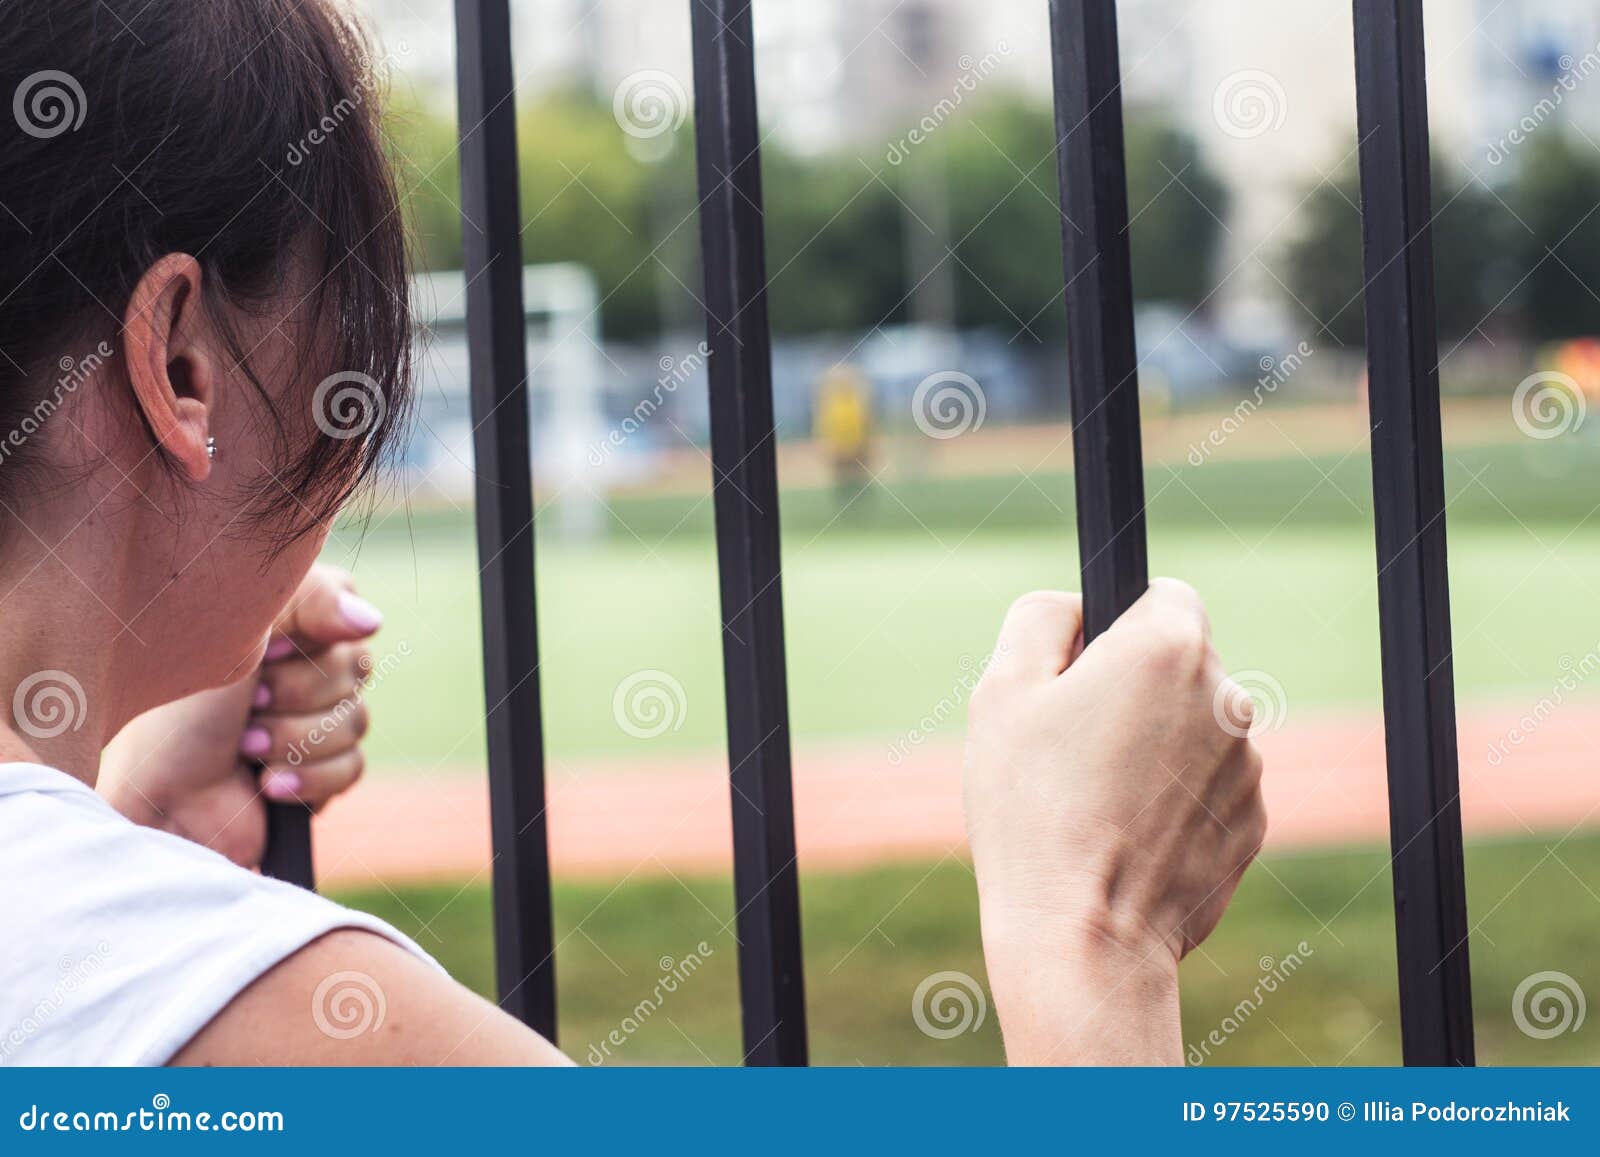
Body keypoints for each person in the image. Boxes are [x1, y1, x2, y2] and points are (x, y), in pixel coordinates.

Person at [0, 0, 1265, 1067]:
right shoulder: (312, 1031)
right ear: (179, 364)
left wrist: (139, 831)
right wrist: (1091, 939)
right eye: (346, 316)